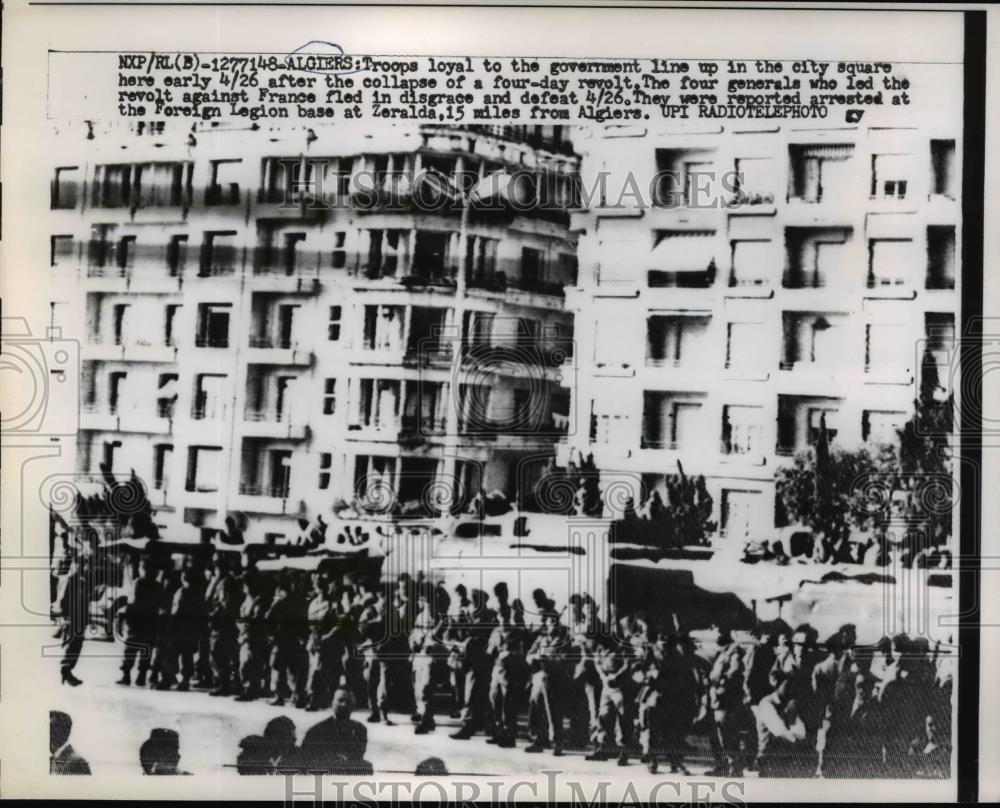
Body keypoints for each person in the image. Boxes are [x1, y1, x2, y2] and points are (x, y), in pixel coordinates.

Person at [297, 687, 373, 775]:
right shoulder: (318, 730)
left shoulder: (360, 729)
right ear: (332, 703)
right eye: (340, 700)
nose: (344, 704)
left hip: (346, 770)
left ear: (354, 705)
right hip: (323, 773)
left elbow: (357, 756)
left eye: (348, 702)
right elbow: (306, 759)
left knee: (366, 767)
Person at [118, 558, 160, 687]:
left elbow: (132, 602)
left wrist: (125, 618)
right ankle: (141, 677)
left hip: (137, 622)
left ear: (143, 569)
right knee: (146, 651)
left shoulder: (139, 582)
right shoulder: (157, 585)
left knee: (130, 650)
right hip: (151, 622)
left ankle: (126, 676)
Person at [59, 557, 91, 687]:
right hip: (73, 619)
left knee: (76, 645)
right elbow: (64, 600)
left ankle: (67, 671)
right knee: (73, 645)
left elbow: (86, 601)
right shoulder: (73, 580)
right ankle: (66, 671)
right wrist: (66, 618)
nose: (86, 568)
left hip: (80, 620)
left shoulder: (83, 581)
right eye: (84, 565)